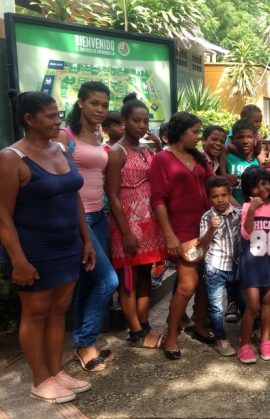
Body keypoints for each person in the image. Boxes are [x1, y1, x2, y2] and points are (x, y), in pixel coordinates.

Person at [0, 90, 95, 403]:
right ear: (29, 119)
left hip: (67, 246)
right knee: (36, 313)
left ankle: (56, 372)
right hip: (33, 251)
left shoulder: (62, 147)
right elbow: (2, 215)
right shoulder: (11, 158)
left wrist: (86, 239)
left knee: (58, 311)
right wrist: (19, 261)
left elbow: (73, 196)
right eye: (51, 116)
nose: (58, 121)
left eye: (58, 114)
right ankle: (40, 379)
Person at [55, 81, 119, 372]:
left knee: (88, 283)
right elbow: (62, 183)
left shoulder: (98, 134)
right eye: (94, 103)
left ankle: (81, 343)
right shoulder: (63, 135)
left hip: (98, 215)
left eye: (105, 105)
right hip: (77, 218)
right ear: (80, 102)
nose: (100, 110)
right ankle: (86, 343)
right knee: (108, 281)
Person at [105, 93, 167, 349]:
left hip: (149, 222)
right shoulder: (116, 152)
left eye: (145, 121)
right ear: (124, 121)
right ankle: (136, 330)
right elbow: (112, 193)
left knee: (144, 275)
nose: (142, 126)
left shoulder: (146, 149)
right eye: (136, 121)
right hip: (127, 223)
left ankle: (144, 326)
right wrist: (126, 232)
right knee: (127, 278)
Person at [150, 112, 213, 360]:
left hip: (209, 227)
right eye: (195, 132)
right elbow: (158, 200)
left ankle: (198, 325)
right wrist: (170, 236)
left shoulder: (198, 158)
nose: (199, 137)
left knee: (205, 283)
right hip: (183, 231)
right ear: (180, 132)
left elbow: (213, 186)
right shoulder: (161, 160)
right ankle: (172, 336)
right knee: (187, 285)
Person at [236, 167, 270, 363]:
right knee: (253, 305)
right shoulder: (247, 207)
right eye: (256, 186)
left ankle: (265, 340)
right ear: (249, 190)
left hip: (269, 262)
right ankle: (244, 344)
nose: (262, 189)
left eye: (264, 183)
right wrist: (251, 211)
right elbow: (246, 234)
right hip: (251, 264)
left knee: (268, 303)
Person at [199, 176, 243, 357]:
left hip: (236, 265)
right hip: (215, 266)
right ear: (209, 198)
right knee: (216, 306)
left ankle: (248, 333)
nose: (220, 200)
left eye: (224, 195)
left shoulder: (238, 213)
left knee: (244, 300)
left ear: (230, 194)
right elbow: (204, 244)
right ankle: (220, 338)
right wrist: (211, 228)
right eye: (215, 196)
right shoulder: (207, 217)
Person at [226, 119, 259, 207]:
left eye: (249, 137)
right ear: (233, 139)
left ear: (255, 138)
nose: (245, 141)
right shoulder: (226, 158)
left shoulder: (257, 159)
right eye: (240, 137)